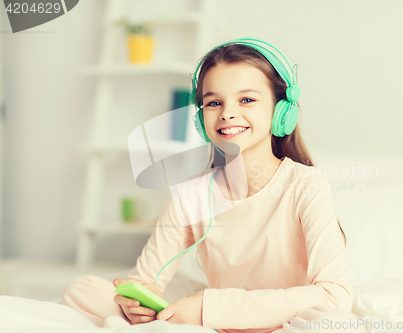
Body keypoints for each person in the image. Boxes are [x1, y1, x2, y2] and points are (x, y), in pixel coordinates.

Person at [60, 39, 367, 333]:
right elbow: (145, 280)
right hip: (215, 324)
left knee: (338, 324)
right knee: (83, 290)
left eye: (246, 99)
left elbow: (334, 295)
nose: (227, 113)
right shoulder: (191, 192)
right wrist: (136, 303)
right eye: (214, 102)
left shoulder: (305, 184)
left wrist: (210, 307)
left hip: (286, 324)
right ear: (200, 119)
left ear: (281, 110)